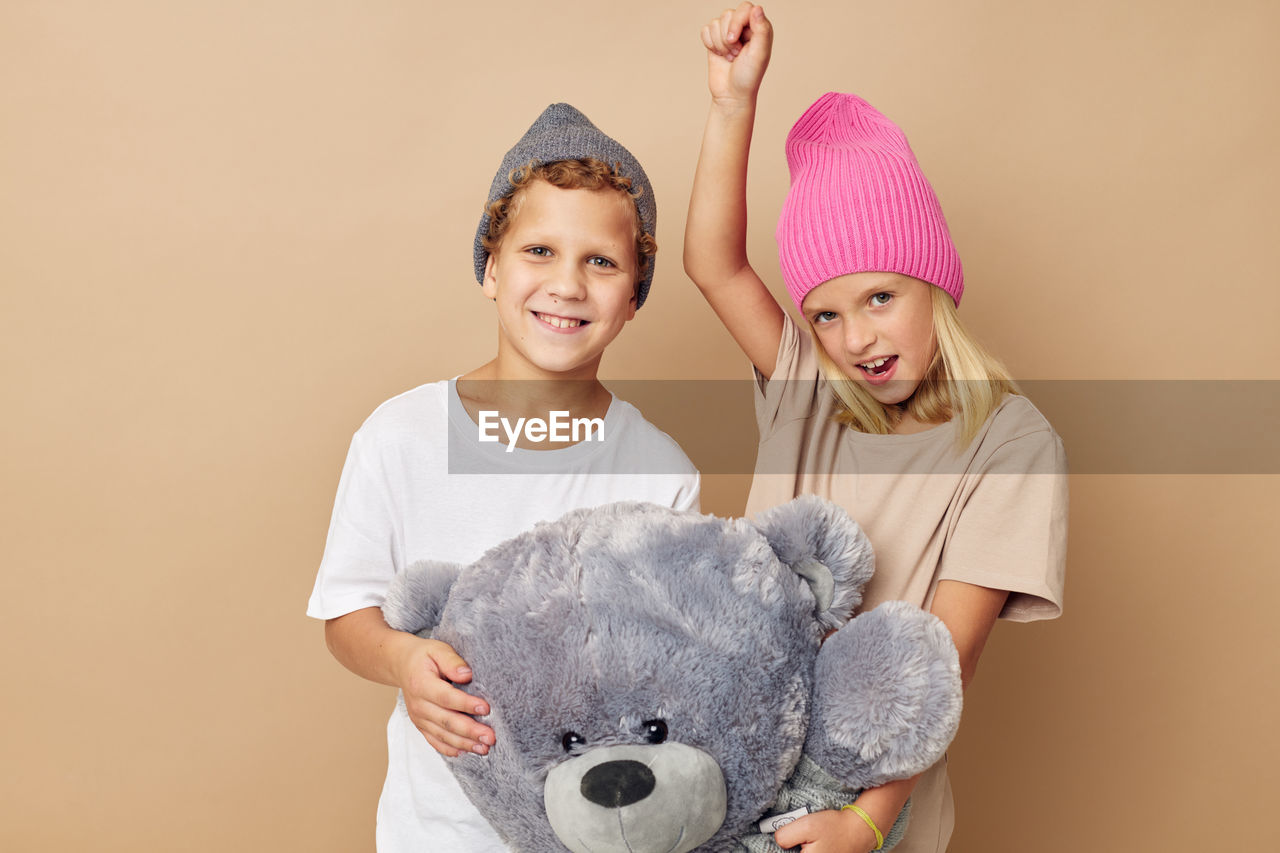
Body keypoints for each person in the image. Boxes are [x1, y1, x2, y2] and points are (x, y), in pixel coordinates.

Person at [685, 5, 1067, 852]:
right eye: (824, 314)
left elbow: (946, 658)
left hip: (868, 811)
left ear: (935, 282)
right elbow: (713, 264)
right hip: (730, 780)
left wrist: (869, 818)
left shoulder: (1011, 443)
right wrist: (731, 104)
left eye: (881, 299)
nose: (856, 338)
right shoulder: (806, 392)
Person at [308, 103, 700, 851]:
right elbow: (345, 615)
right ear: (492, 268)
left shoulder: (662, 475)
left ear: (634, 297)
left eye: (602, 261)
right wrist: (403, 658)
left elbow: (658, 674)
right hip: (436, 832)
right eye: (540, 251)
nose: (568, 284)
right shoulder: (401, 436)